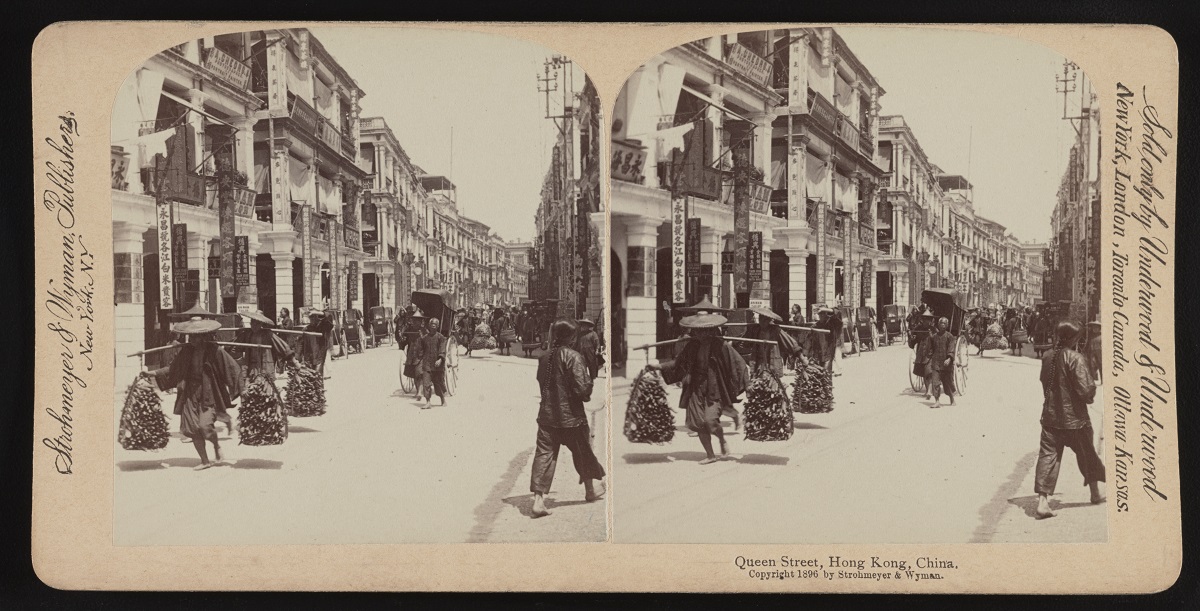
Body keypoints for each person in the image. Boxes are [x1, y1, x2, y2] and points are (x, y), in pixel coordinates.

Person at [141, 317, 243, 470]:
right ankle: (205, 460)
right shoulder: (186, 351)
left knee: (205, 426)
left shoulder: (215, 351)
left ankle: (216, 446)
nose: (193, 339)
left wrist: (242, 389)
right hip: (189, 393)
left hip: (208, 392)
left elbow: (233, 368)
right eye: (191, 336)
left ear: (203, 336)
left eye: (196, 336)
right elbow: (173, 369)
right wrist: (153, 373)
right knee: (192, 428)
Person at [529, 319, 606, 518]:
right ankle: (590, 490)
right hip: (572, 418)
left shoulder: (544, 357)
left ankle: (538, 500)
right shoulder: (574, 357)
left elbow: (542, 384)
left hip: (547, 417)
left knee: (544, 455)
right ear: (572, 337)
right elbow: (583, 391)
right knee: (583, 451)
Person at [650, 314, 749, 465]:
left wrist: (748, 385)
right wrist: (659, 366)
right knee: (698, 423)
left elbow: (739, 363)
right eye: (698, 331)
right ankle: (710, 455)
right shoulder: (692, 346)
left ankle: (721, 439)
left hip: (714, 387)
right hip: (695, 388)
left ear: (711, 331)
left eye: (705, 331)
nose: (701, 334)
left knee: (710, 421)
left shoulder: (721, 346)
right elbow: (678, 363)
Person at [1034, 320, 1105, 518]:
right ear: (1074, 338)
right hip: (1076, 420)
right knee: (1087, 454)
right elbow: (1086, 390)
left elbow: (1044, 383)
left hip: (1050, 418)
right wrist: (1090, 394)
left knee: (1048, 457)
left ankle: (1042, 502)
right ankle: (1095, 493)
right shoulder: (1075, 358)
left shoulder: (1048, 356)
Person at [240, 311, 296, 378]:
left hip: (265, 366)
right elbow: (234, 346)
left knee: (266, 385)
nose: (254, 325)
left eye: (257, 323)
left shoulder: (268, 334)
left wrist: (294, 361)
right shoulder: (248, 334)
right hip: (252, 367)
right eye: (252, 322)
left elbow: (282, 346)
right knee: (252, 385)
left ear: (261, 324)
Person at [413, 317, 448, 408]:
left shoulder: (441, 338)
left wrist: (440, 359)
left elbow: (442, 350)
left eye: (435, 325)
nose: (433, 327)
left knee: (438, 383)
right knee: (426, 383)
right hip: (427, 364)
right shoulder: (424, 338)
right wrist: (418, 359)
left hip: (437, 365)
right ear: (429, 326)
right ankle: (428, 401)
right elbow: (420, 351)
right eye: (432, 325)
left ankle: (443, 399)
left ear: (437, 326)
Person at [923, 316, 957, 407]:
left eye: (944, 324)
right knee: (935, 382)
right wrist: (928, 357)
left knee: (947, 383)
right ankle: (937, 401)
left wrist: (949, 358)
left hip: (946, 364)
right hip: (936, 363)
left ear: (947, 325)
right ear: (938, 325)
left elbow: (951, 349)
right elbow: (930, 349)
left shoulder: (950, 336)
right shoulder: (934, 337)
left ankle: (952, 398)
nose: (942, 325)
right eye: (941, 323)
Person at [301, 310, 334, 378]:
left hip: (319, 358)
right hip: (308, 359)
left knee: (318, 379)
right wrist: (298, 358)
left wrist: (317, 312)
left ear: (317, 317)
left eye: (314, 317)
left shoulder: (323, 327)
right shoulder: (306, 329)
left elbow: (329, 317)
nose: (312, 319)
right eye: (310, 317)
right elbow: (301, 344)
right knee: (308, 380)